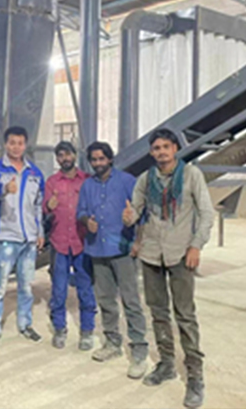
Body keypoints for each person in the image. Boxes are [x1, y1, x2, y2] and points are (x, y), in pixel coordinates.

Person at [123, 128, 214, 408]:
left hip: (181, 254)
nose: (161, 152)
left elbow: (207, 213)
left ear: (175, 148)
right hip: (151, 254)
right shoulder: (145, 179)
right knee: (158, 312)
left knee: (185, 315)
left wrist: (196, 245)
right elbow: (136, 212)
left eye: (165, 147)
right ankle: (166, 363)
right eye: (156, 148)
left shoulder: (191, 175)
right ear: (151, 153)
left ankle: (195, 375)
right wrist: (128, 217)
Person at [76, 141, 149, 380]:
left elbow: (141, 213)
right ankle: (112, 343)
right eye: (94, 159)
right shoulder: (87, 185)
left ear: (110, 159)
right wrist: (87, 221)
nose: (98, 163)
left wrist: (137, 239)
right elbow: (80, 211)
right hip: (97, 250)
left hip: (123, 250)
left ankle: (138, 350)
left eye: (101, 158)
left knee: (131, 301)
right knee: (106, 300)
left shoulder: (127, 181)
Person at [0, 126, 45, 349]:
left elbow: (38, 206)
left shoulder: (35, 173)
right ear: (5, 144)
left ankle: (25, 324)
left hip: (29, 239)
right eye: (12, 143)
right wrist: (4, 188)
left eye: (20, 143)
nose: (16, 147)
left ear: (25, 145)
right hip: (6, 237)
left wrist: (39, 232)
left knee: (26, 286)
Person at [43, 141, 96, 351]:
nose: (65, 158)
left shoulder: (87, 180)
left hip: (82, 243)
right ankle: (60, 328)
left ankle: (87, 331)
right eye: (60, 155)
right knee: (58, 289)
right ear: (57, 159)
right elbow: (44, 210)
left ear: (75, 155)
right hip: (60, 243)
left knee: (85, 288)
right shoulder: (52, 182)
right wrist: (49, 206)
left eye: (68, 154)